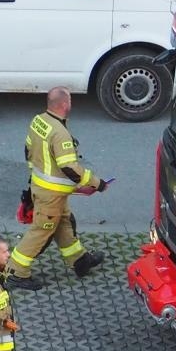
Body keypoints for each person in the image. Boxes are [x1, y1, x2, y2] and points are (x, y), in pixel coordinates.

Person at [9, 86, 106, 290]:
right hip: (51, 195)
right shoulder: (60, 133)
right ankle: (16, 272)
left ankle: (80, 261)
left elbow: (27, 149)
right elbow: (69, 166)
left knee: (63, 224)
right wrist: (96, 183)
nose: (71, 103)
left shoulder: (39, 121)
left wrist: (35, 175)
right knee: (41, 231)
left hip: (43, 188)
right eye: (69, 100)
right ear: (64, 104)